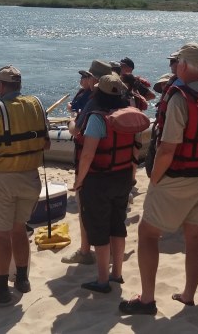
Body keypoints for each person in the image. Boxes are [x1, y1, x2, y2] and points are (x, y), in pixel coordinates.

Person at [119, 43, 198, 315]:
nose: (175, 68)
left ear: (184, 66)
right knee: (194, 233)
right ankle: (188, 295)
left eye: (177, 63)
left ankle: (147, 299)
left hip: (178, 175)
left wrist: (156, 179)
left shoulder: (179, 98)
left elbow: (167, 147)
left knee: (148, 233)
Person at [0, 66, 50, 306]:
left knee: (1, 235)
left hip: (4, 179)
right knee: (19, 229)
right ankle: (23, 280)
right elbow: (45, 144)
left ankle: (1, 291)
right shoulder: (36, 104)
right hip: (30, 178)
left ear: (2, 86)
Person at [73, 73, 144, 293]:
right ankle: (117, 274)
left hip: (99, 179)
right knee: (117, 225)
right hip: (123, 177)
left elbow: (87, 154)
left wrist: (78, 181)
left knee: (99, 228)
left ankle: (102, 280)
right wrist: (132, 175)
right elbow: (135, 149)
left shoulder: (97, 118)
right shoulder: (129, 116)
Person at [63, 59, 114, 266]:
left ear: (94, 79)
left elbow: (77, 131)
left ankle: (85, 252)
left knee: (85, 209)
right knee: (111, 212)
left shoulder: (94, 101)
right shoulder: (120, 96)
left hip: (94, 166)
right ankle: (111, 256)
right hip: (115, 164)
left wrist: (71, 121)